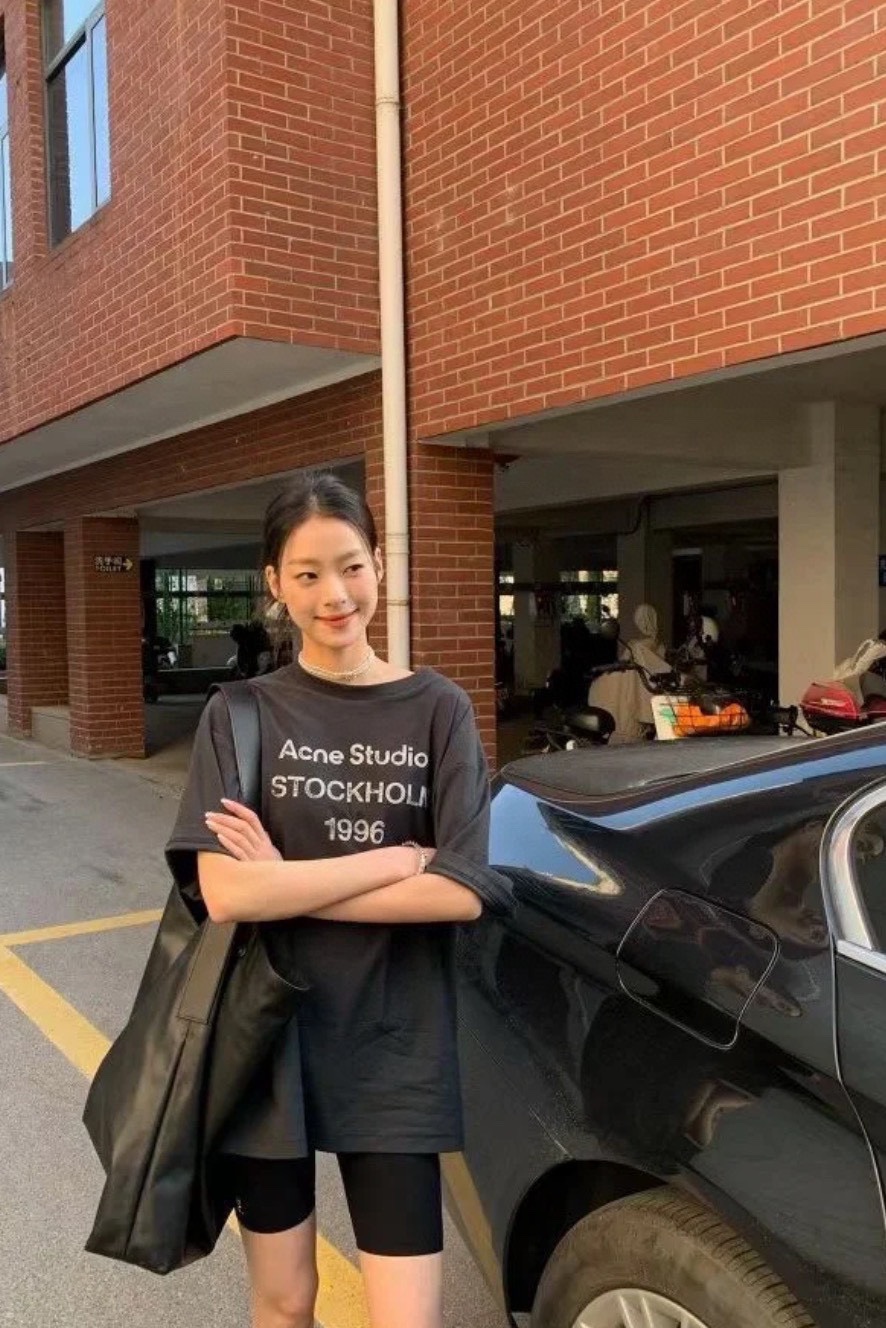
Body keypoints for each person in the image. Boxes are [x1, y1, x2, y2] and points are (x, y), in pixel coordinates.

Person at [165, 473, 497, 1328]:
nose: (334, 595)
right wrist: (393, 859)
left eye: (350, 566)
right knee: (285, 1303)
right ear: (274, 582)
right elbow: (227, 890)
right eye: (307, 574)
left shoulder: (439, 710)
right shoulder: (240, 715)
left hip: (395, 1046)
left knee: (406, 1318)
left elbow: (459, 892)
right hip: (267, 1045)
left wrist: (285, 884)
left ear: (380, 564)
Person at [586, 602, 670, 742]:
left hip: (634, 698)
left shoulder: (636, 645)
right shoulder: (660, 645)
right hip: (653, 694)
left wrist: (602, 671)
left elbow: (623, 664)